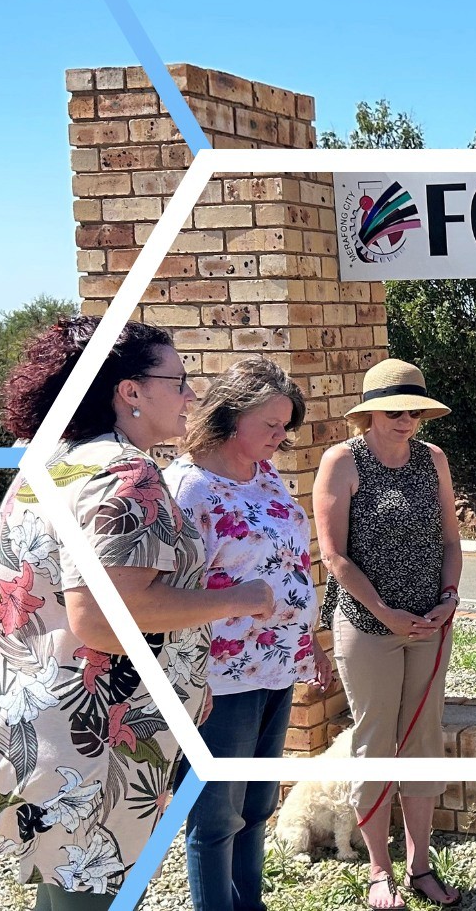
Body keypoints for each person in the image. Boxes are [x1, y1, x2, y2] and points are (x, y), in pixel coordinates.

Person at [0, 317, 278, 909]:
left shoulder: (54, 461)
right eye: (179, 380)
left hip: (35, 716)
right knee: (93, 886)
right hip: (96, 735)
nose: (191, 396)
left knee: (63, 883)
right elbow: (105, 619)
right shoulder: (125, 473)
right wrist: (240, 598)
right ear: (130, 391)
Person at [166, 357, 328, 911]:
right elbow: (168, 592)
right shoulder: (187, 489)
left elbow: (292, 562)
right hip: (220, 676)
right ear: (230, 416)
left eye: (287, 426)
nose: (281, 438)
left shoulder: (265, 473)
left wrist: (311, 643)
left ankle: (249, 903)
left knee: (257, 804)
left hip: (279, 665)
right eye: (271, 426)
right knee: (215, 816)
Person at [313, 357, 463, 910]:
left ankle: (421, 863)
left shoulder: (434, 461)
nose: (407, 420)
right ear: (370, 413)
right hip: (367, 624)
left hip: (429, 621)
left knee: (423, 740)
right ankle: (380, 870)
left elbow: (450, 539)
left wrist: (449, 599)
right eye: (395, 410)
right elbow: (334, 556)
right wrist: (384, 610)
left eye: (415, 410)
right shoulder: (342, 462)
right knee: (376, 741)